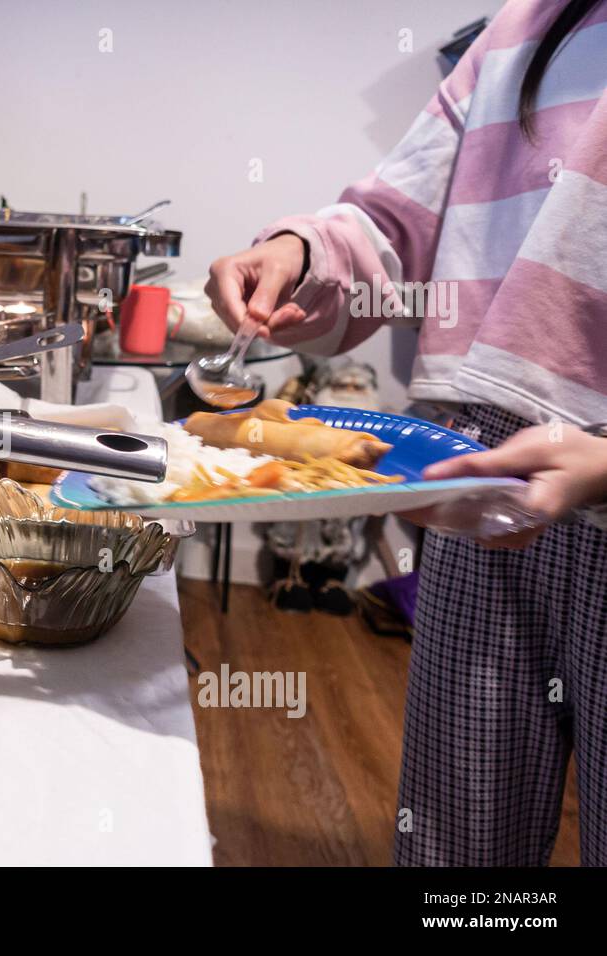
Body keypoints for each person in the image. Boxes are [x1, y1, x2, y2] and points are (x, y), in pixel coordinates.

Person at [204, 0, 607, 865]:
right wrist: (302, 251)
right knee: (459, 844)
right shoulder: (519, 28)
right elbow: (394, 216)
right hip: (475, 475)